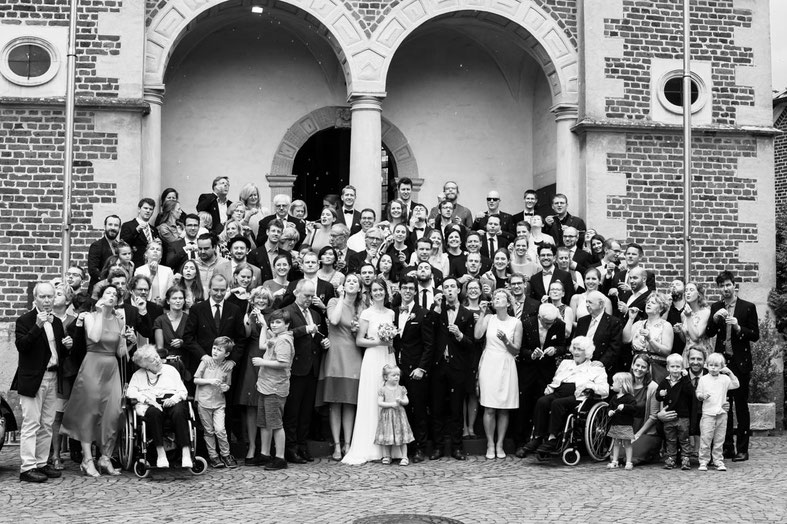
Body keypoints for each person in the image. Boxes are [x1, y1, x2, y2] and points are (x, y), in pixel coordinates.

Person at [61, 282, 127, 477]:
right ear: (100, 296)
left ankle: (105, 457)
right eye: (108, 293)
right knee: (89, 412)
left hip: (111, 367)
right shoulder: (90, 317)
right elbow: (95, 337)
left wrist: (127, 339)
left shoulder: (119, 320)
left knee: (113, 412)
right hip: (92, 364)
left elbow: (121, 353)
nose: (112, 296)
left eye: (115, 294)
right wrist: (100, 312)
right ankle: (87, 459)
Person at [13, 282, 70, 482]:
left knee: (47, 423)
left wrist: (67, 346)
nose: (47, 301)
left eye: (50, 297)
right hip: (33, 379)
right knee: (31, 423)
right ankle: (27, 467)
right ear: (34, 299)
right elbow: (22, 346)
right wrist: (37, 326)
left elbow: (57, 354)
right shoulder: (25, 320)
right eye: (42, 297)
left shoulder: (56, 322)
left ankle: (41, 462)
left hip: (53, 376)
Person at [342, 279, 399, 465]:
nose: (378, 293)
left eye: (381, 289)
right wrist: (378, 342)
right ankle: (371, 446)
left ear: (386, 291)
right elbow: (360, 340)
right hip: (373, 357)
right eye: (374, 290)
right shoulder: (366, 313)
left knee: (389, 397)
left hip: (388, 358)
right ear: (370, 293)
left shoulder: (391, 313)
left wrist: (389, 341)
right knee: (373, 399)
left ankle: (388, 447)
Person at [705, 270, 759, 462]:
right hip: (721, 362)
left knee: (741, 406)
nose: (725, 289)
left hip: (740, 363)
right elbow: (709, 333)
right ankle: (726, 447)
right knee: (722, 404)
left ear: (734, 285)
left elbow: (755, 335)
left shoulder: (747, 307)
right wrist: (715, 319)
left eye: (728, 285)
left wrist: (738, 327)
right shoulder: (716, 306)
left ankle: (742, 449)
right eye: (721, 286)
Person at [524, 336, 608, 454]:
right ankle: (537, 438)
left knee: (557, 404)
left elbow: (605, 390)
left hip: (577, 397)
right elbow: (556, 379)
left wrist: (590, 386)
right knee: (542, 401)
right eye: (575, 348)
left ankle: (552, 439)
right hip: (559, 391)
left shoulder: (595, 368)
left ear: (587, 352)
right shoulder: (565, 363)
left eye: (580, 349)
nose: (576, 352)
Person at [316, 274, 364, 461]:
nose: (351, 284)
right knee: (335, 402)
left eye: (354, 282)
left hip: (353, 354)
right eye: (348, 281)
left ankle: (348, 443)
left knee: (349, 401)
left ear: (359, 288)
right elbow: (334, 321)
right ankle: (336, 444)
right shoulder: (334, 301)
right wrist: (343, 297)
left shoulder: (361, 306)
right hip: (335, 354)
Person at [282, 280, 330, 463]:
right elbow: (282, 334)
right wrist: (304, 329)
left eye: (312, 296)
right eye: (306, 295)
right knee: (293, 411)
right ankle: (291, 448)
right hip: (295, 368)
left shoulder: (315, 315)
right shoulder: (288, 311)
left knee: (306, 412)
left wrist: (324, 342)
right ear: (296, 292)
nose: (309, 299)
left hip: (312, 368)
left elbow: (316, 337)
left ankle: (303, 446)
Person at [429, 278, 476, 461]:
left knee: (456, 408)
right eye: (446, 287)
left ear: (458, 290)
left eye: (452, 287)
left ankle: (457, 447)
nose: (449, 290)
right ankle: (438, 447)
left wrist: (459, 334)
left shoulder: (467, 314)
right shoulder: (437, 310)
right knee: (437, 407)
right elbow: (429, 332)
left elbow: (471, 344)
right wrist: (436, 309)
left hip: (458, 367)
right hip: (438, 366)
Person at [126, 345, 192, 469]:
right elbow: (130, 392)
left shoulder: (171, 370)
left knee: (179, 411)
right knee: (153, 413)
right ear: (145, 365)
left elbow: (183, 391)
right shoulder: (138, 375)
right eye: (152, 360)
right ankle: (161, 453)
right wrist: (146, 399)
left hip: (172, 401)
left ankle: (186, 452)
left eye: (156, 356)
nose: (157, 360)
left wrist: (173, 399)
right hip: (151, 404)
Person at [474, 288, 522, 459]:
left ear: (508, 303)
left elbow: (516, 350)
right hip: (489, 362)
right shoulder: (489, 318)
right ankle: (490, 443)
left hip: (506, 363)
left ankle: (500, 444)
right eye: (495, 297)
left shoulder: (516, 323)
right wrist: (481, 313)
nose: (496, 299)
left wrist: (506, 341)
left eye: (500, 297)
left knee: (503, 408)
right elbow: (477, 335)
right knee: (489, 407)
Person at [515, 303, 566, 457]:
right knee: (524, 405)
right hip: (528, 369)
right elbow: (520, 348)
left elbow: (563, 346)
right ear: (539, 317)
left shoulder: (559, 324)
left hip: (546, 371)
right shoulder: (527, 323)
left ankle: (540, 440)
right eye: (546, 323)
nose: (549, 326)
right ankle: (520, 442)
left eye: (552, 323)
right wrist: (531, 354)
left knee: (542, 404)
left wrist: (555, 350)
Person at [393, 275, 434, 463]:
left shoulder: (423, 313)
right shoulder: (392, 313)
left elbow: (429, 345)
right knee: (401, 410)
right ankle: (403, 448)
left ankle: (419, 448)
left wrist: (421, 368)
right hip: (397, 370)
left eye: (411, 288)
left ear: (415, 291)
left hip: (415, 370)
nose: (408, 291)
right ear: (400, 290)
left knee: (418, 409)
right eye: (405, 288)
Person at [252, 309, 294, 471]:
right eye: (273, 322)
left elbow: (283, 363)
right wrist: (263, 325)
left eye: (278, 322)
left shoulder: (283, 340)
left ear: (287, 325)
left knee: (276, 424)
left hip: (275, 388)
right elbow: (263, 345)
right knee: (264, 422)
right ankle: (264, 453)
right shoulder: (276, 337)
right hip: (265, 386)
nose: (274, 325)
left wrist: (263, 362)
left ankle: (280, 457)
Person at [183, 274, 247, 375]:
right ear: (209, 289)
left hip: (226, 367)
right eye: (215, 290)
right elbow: (188, 337)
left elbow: (241, 339)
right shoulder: (197, 309)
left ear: (227, 289)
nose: (219, 293)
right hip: (202, 364)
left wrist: (233, 360)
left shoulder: (234, 310)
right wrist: (203, 356)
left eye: (222, 290)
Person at [194, 336, 236, 468]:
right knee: (209, 431)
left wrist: (225, 387)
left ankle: (226, 454)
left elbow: (227, 384)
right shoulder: (206, 362)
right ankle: (213, 456)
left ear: (227, 354)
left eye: (219, 350)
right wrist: (210, 381)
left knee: (220, 429)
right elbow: (196, 379)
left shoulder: (227, 367)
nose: (215, 351)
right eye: (214, 348)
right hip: (203, 401)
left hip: (219, 403)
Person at [696, 353, 740, 471]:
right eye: (711, 365)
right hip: (708, 413)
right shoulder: (703, 379)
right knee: (706, 438)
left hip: (721, 413)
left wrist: (729, 372)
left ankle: (718, 460)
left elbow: (736, 384)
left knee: (719, 439)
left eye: (716, 365)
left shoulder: (724, 379)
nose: (713, 368)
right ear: (706, 366)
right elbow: (698, 393)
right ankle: (704, 460)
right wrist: (702, 396)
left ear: (722, 366)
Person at [622, 292, 673, 382]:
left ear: (661, 309)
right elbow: (626, 340)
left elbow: (667, 351)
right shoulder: (639, 324)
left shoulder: (666, 325)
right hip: (637, 367)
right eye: (648, 302)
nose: (648, 304)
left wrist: (650, 339)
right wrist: (631, 318)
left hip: (654, 369)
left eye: (653, 303)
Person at [656, 354, 695, 470]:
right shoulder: (664, 382)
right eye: (672, 367)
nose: (675, 369)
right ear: (668, 368)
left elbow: (690, 393)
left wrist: (686, 378)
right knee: (670, 439)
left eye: (678, 367)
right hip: (669, 416)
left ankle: (685, 458)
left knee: (684, 438)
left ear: (682, 368)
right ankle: (671, 458)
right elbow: (658, 396)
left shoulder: (684, 381)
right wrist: (660, 394)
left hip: (683, 416)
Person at [374, 364, 414, 465]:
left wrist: (401, 401)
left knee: (402, 436)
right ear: (386, 377)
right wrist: (391, 404)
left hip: (399, 416)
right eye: (394, 375)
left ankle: (404, 456)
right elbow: (380, 403)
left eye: (398, 375)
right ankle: (387, 455)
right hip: (387, 417)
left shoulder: (401, 389)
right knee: (388, 436)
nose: (397, 377)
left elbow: (407, 401)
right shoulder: (383, 389)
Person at [629, 354, 662, 465]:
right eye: (637, 365)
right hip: (628, 429)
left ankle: (651, 453)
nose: (639, 369)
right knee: (618, 457)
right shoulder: (626, 384)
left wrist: (637, 435)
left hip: (646, 431)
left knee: (633, 458)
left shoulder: (653, 387)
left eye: (643, 367)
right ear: (632, 365)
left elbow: (653, 416)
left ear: (648, 370)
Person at [606, 372, 637, 470]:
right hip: (615, 424)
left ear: (620, 384)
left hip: (625, 425)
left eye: (614, 382)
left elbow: (634, 408)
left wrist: (625, 407)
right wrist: (609, 411)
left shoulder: (629, 398)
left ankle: (629, 461)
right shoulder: (614, 398)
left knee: (627, 443)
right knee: (615, 442)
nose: (612, 384)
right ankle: (615, 461)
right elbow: (609, 407)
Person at [676, 282, 712, 366]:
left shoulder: (705, 312)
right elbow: (687, 339)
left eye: (691, 290)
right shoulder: (683, 314)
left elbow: (696, 337)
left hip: (701, 353)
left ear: (699, 294)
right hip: (688, 353)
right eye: (686, 290)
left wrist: (689, 317)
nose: (687, 293)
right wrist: (680, 331)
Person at [120, 198, 159, 268]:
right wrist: (136, 230)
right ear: (139, 209)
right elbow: (124, 244)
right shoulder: (128, 225)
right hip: (134, 265)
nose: (148, 211)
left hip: (151, 265)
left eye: (150, 209)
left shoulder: (154, 229)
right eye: (145, 208)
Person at [88, 215, 122, 292]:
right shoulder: (97, 246)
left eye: (116, 225)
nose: (113, 228)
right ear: (105, 226)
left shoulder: (121, 247)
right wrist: (108, 282)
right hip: (100, 289)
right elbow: (93, 270)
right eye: (110, 224)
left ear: (119, 228)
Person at [134, 240, 175, 305]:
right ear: (146, 254)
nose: (155, 251)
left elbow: (170, 291)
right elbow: (139, 291)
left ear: (161, 256)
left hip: (163, 306)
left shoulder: (168, 271)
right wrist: (152, 274)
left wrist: (163, 302)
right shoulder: (139, 270)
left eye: (158, 249)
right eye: (152, 249)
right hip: (145, 304)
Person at [153, 286, 189, 360]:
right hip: (166, 362)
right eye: (174, 298)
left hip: (187, 360)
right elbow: (160, 348)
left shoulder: (190, 319)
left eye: (181, 298)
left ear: (184, 301)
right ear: (168, 301)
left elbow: (194, 341)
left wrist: (183, 343)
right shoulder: (160, 321)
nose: (178, 301)